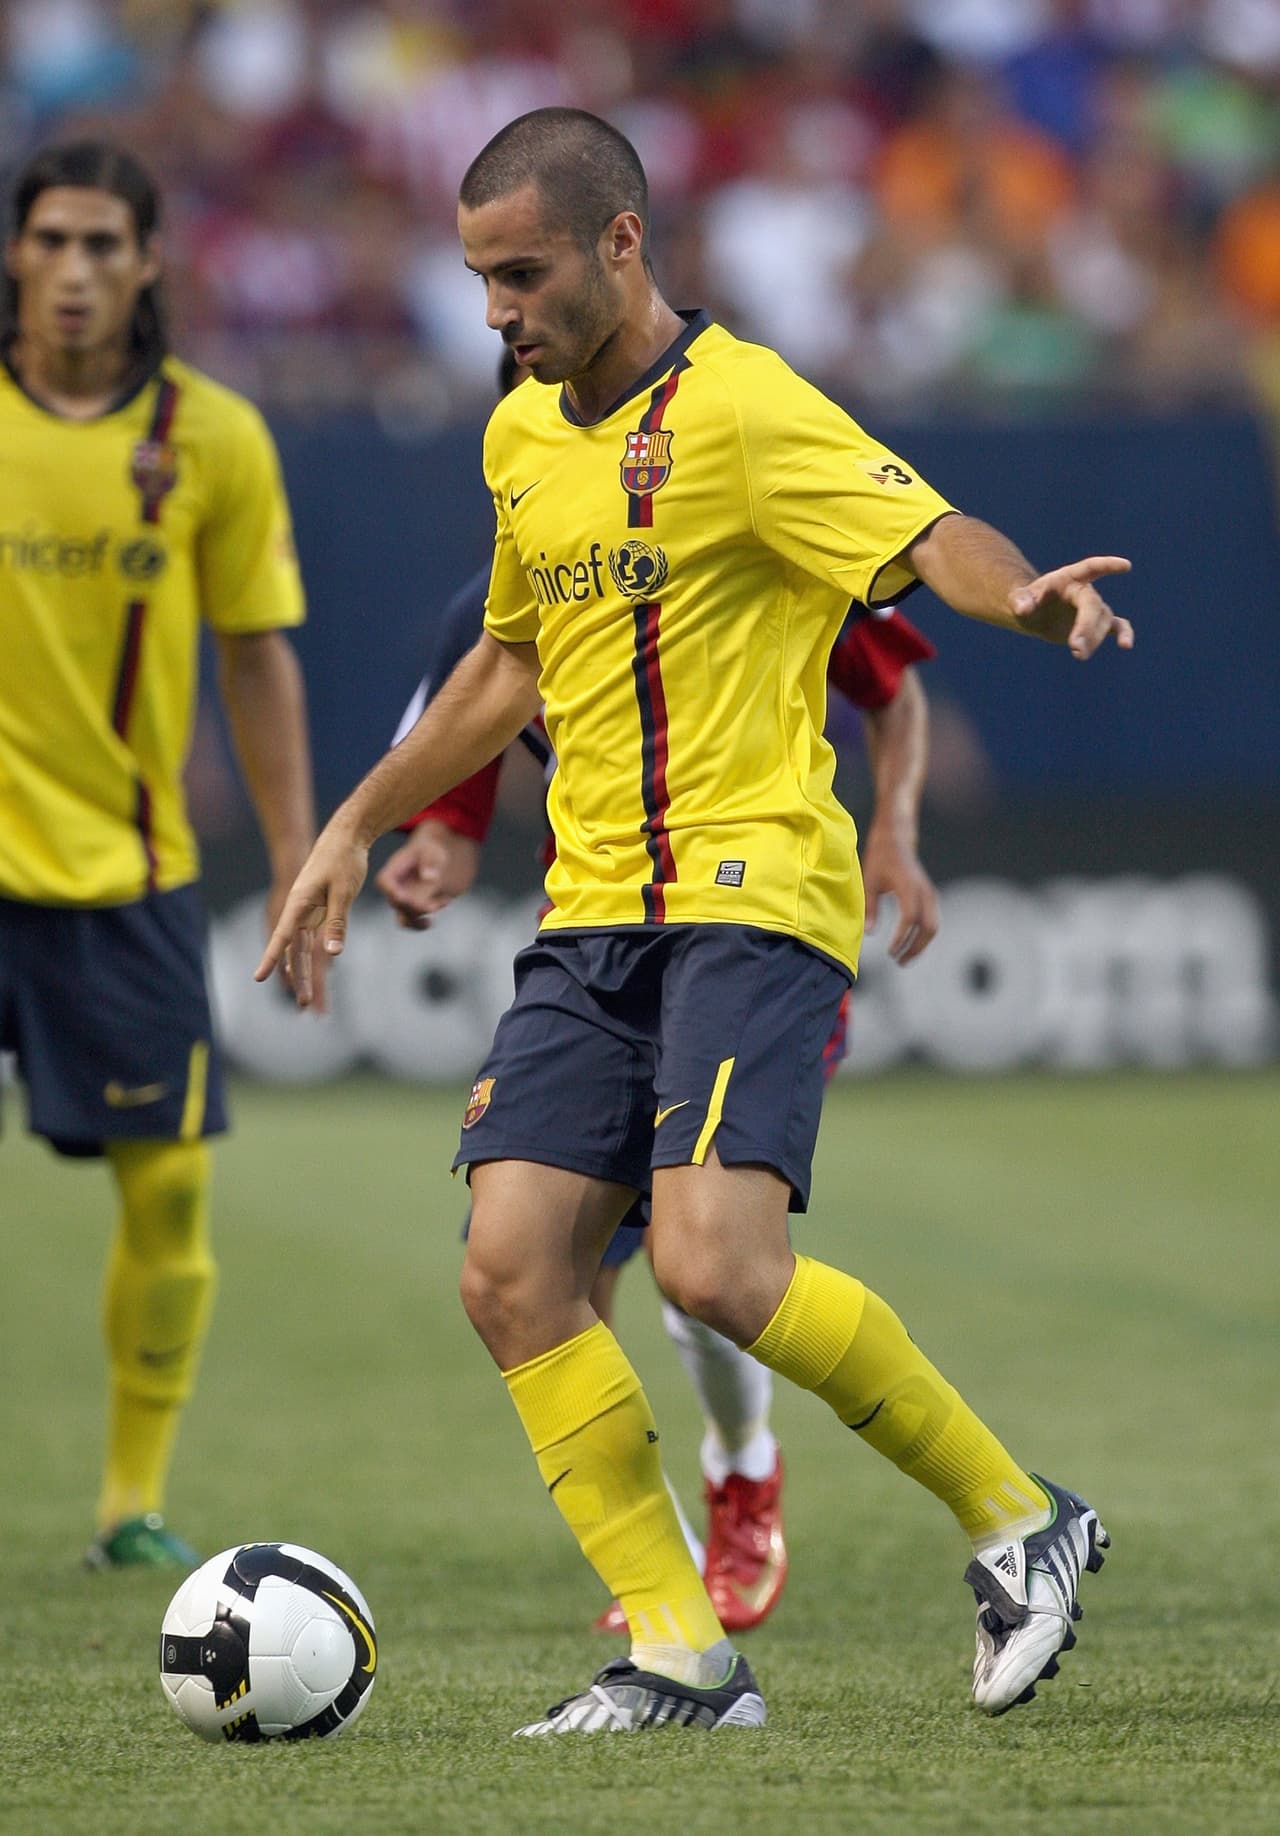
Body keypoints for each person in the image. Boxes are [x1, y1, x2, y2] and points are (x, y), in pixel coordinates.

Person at [259, 107, 1130, 1735]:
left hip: (751, 893)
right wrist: (356, 821)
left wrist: (1024, 594)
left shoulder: (742, 406)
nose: (496, 311)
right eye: (477, 280)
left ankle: (1023, 1520)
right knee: (513, 1272)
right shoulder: (521, 439)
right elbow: (506, 668)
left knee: (716, 1265)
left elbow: (928, 533)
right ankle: (680, 1653)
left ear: (620, 243)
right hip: (591, 915)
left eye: (520, 274)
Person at [377, 534, 941, 1639]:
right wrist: (425, 848)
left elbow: (891, 685)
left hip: (751, 931)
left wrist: (894, 831)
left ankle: (744, 1469)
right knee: (541, 1275)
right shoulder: (492, 609)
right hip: (598, 956)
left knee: (708, 1270)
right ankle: (663, 1569)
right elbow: (451, 778)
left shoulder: (741, 531)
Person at [0, 142, 319, 1570]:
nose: (74, 272)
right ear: (18, 255)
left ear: (147, 266)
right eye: (51, 241)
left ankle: (130, 1503)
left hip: (126, 875)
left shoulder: (214, 438)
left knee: (171, 1189)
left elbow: (258, 658)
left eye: (102, 247)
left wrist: (306, 851)